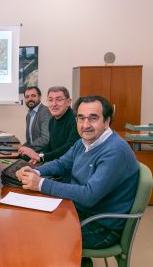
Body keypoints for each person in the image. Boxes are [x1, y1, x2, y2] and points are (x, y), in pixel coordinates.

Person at [16, 95, 139, 251]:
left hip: (101, 226)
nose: (85, 125)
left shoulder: (115, 151)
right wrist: (35, 170)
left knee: (37, 235)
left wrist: (40, 183)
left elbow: (89, 195)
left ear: (107, 122)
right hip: (80, 210)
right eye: (81, 118)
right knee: (31, 220)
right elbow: (62, 163)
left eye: (93, 118)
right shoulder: (85, 141)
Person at [21, 86, 80, 164]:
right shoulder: (52, 120)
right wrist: (39, 156)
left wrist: (41, 157)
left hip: (68, 167)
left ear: (68, 102)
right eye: (50, 100)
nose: (54, 104)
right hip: (56, 163)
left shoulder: (76, 120)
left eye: (59, 100)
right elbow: (50, 145)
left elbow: (70, 147)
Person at [18, 86, 51, 157]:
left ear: (39, 97)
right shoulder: (29, 115)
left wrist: (27, 148)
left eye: (33, 96)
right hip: (32, 151)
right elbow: (30, 140)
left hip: (42, 154)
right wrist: (20, 148)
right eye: (27, 97)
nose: (30, 99)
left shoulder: (45, 112)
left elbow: (45, 139)